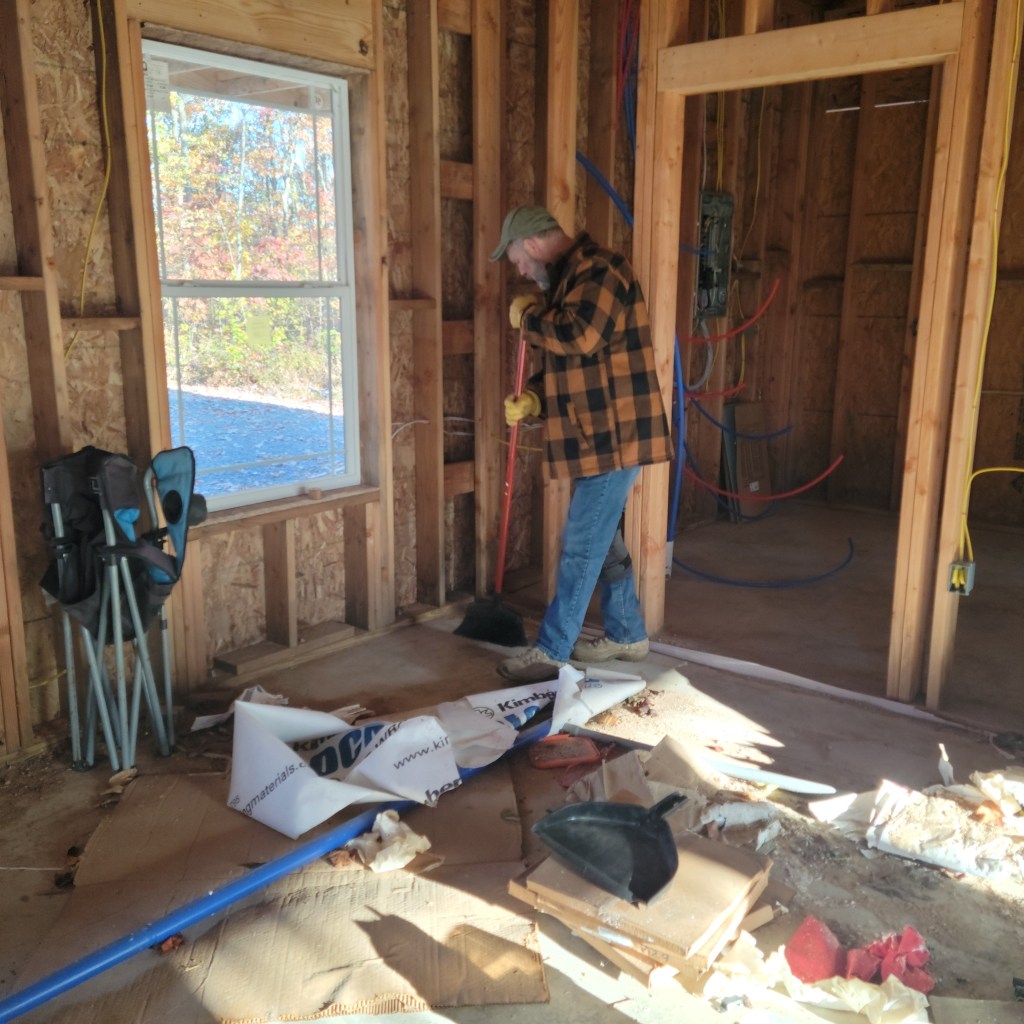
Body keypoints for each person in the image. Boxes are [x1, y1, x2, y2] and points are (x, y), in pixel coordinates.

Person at [489, 205, 672, 684]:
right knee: (600, 538)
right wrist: (535, 398)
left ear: (532, 244)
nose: (521, 272)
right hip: (598, 437)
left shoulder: (600, 269)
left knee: (581, 543)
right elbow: (576, 367)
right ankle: (628, 634)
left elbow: (581, 336)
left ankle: (552, 649)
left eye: (518, 260)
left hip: (616, 437)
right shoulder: (569, 282)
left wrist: (530, 319)